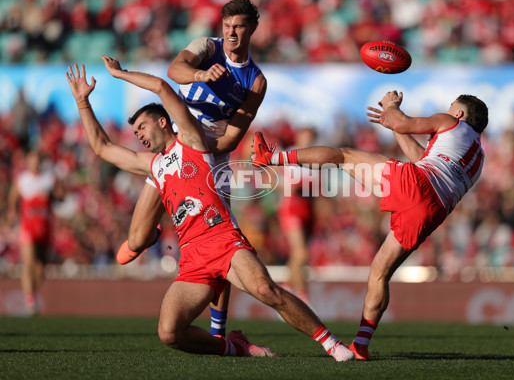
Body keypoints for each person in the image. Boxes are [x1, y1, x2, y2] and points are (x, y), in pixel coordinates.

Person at [65, 56, 355, 361]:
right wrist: (83, 102)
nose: (138, 135)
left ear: (163, 122)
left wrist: (121, 75)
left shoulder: (191, 140)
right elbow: (102, 148)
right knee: (169, 333)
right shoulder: (153, 166)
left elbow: (164, 87)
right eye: (135, 132)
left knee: (267, 291)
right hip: (191, 256)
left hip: (223, 240)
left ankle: (331, 343)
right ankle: (234, 347)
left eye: (142, 127)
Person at [252, 90, 488, 360]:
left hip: (416, 185)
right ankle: (361, 345)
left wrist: (392, 107)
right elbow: (421, 157)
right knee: (379, 273)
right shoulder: (478, 157)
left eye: (451, 106)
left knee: (343, 156)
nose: (448, 109)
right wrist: (395, 128)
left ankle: (269, 158)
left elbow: (404, 123)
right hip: (431, 212)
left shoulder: (450, 122)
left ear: (459, 113)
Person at [118, 0, 266, 338]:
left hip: (212, 155)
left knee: (223, 242)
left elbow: (232, 136)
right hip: (177, 144)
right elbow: (174, 71)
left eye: (239, 26)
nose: (230, 32)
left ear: (252, 29)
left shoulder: (256, 81)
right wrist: (201, 74)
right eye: (227, 25)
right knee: (136, 240)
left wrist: (200, 153)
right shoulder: (207, 47)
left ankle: (219, 330)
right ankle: (151, 236)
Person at [8, 149, 65, 315]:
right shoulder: (22, 179)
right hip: (27, 226)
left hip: (45, 227)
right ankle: (30, 301)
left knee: (41, 268)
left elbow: (60, 198)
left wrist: (60, 188)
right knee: (29, 263)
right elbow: (13, 197)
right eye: (33, 160)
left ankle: (31, 293)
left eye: (38, 159)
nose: (36, 163)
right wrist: (12, 212)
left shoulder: (49, 179)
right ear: (27, 161)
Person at [277, 127, 317, 304]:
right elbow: (270, 178)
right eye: (305, 135)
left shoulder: (316, 157)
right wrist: (289, 187)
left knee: (297, 256)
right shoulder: (288, 155)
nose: (308, 139)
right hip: (292, 206)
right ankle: (302, 297)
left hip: (307, 207)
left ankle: (287, 288)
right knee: (301, 254)